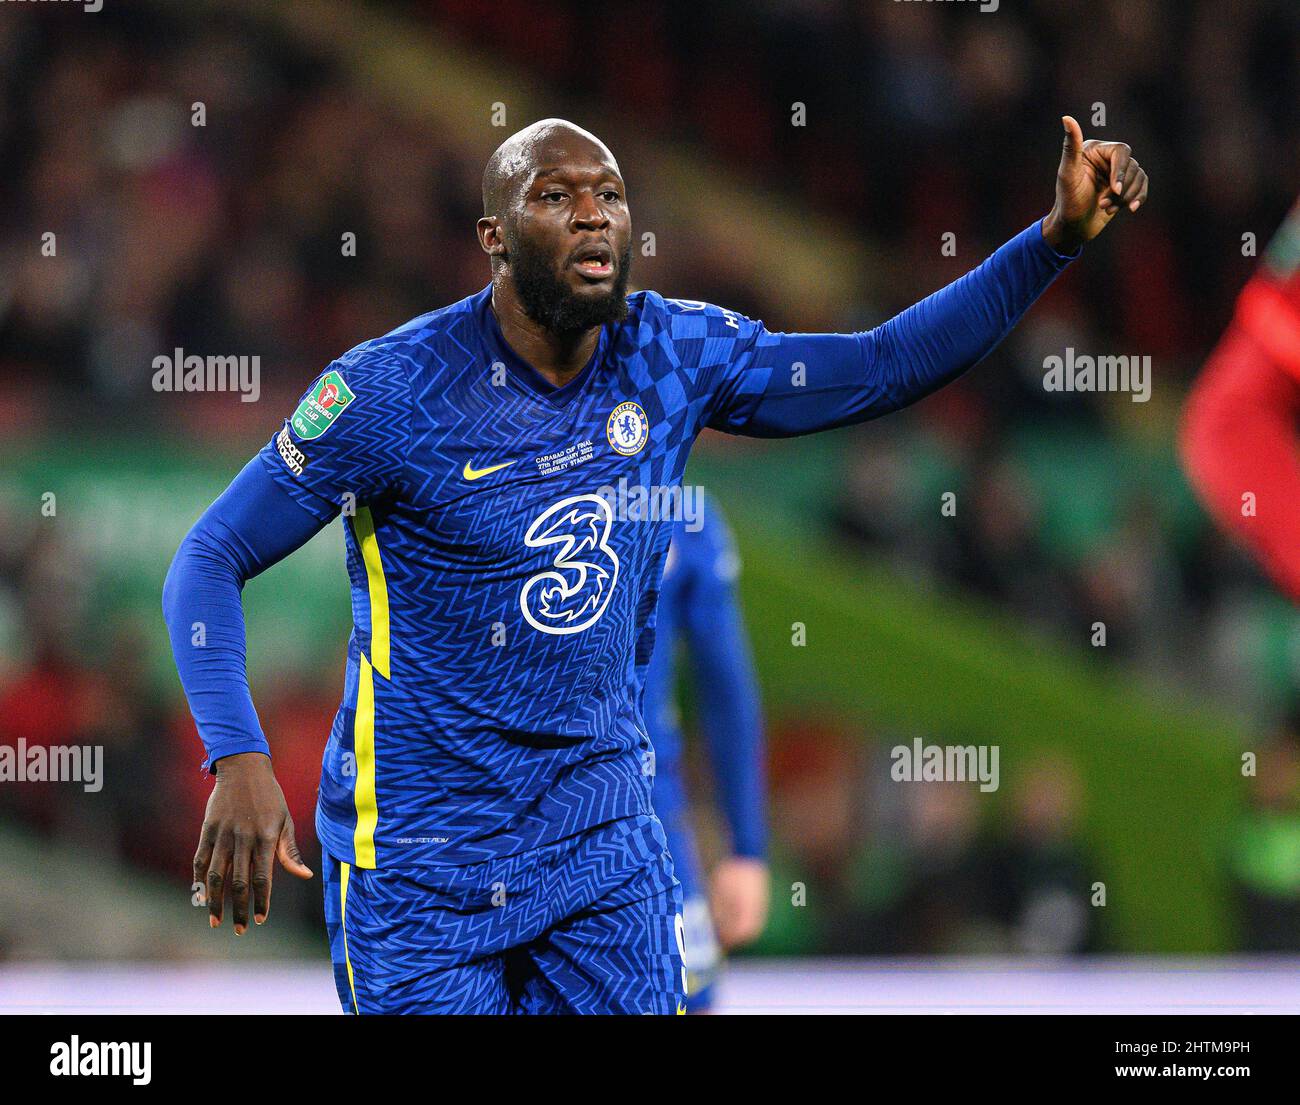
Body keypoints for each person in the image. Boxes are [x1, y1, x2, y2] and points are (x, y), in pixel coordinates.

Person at [163, 116, 1146, 1014]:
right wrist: (238, 754)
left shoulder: (669, 352)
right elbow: (211, 554)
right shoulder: (391, 392)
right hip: (422, 855)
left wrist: (1051, 240)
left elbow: (882, 364)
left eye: (610, 195)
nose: (593, 216)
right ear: (494, 237)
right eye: (555, 196)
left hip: (603, 838)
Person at [644, 496, 766, 1011]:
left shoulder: (679, 513)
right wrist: (746, 849)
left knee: (686, 995)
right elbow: (725, 692)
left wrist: (746, 847)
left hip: (646, 814)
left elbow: (726, 691)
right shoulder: (674, 508)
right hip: (634, 812)